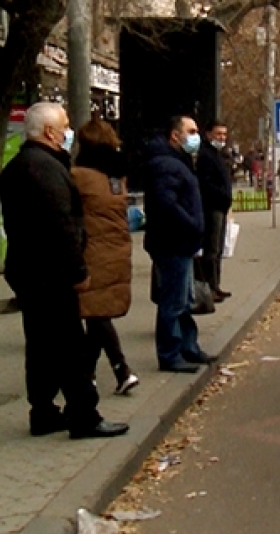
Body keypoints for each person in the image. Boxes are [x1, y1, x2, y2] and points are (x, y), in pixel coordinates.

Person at [0, 102, 129, 438]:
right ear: (49, 132)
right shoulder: (47, 169)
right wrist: (78, 270)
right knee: (70, 345)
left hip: (28, 271)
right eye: (65, 126)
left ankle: (42, 412)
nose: (69, 132)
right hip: (52, 273)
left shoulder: (18, 166)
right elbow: (62, 226)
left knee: (40, 345)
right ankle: (85, 416)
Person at [73, 118, 139, 394]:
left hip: (92, 252)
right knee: (98, 314)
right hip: (116, 250)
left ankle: (119, 370)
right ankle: (107, 372)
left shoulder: (78, 176)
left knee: (96, 314)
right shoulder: (117, 175)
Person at [144, 115, 213, 372]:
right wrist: (192, 224)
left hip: (179, 242)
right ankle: (170, 354)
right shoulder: (166, 164)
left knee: (183, 300)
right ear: (175, 135)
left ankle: (188, 347)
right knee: (173, 301)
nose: (196, 136)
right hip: (172, 242)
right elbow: (166, 204)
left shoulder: (177, 161)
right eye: (191, 131)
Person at [195, 120, 233, 302]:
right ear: (209, 134)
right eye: (218, 134)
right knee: (212, 250)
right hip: (212, 208)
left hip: (221, 207)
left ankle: (215, 285)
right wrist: (222, 196)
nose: (222, 138)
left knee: (218, 250)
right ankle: (209, 287)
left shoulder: (218, 154)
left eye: (224, 135)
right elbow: (205, 183)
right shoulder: (205, 155)